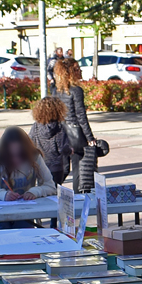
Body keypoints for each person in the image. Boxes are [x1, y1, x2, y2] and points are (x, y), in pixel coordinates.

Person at [0, 127, 56, 230]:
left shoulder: (34, 157)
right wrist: (2, 195)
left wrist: (34, 192)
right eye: (11, 155)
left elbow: (50, 185)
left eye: (20, 155)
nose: (16, 160)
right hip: (1, 213)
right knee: (1, 240)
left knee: (25, 239)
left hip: (26, 212)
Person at [52, 58, 97, 192]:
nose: (80, 71)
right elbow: (81, 116)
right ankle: (78, 198)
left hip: (61, 133)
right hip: (75, 134)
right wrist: (90, 138)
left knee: (64, 168)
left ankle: (49, 190)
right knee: (78, 169)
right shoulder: (76, 90)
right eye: (77, 69)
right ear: (71, 72)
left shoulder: (57, 90)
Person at [29, 96, 72, 186]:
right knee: (55, 191)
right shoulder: (59, 128)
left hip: (40, 165)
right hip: (56, 167)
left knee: (43, 191)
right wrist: (71, 150)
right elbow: (63, 148)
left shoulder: (36, 126)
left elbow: (30, 143)